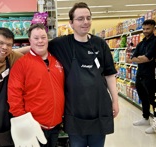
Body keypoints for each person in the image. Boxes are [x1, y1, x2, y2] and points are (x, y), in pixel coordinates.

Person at [16, 2, 119, 147]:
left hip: (99, 107)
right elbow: (39, 44)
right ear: (71, 23)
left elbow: (109, 74)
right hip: (75, 110)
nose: (85, 22)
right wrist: (9, 52)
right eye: (80, 19)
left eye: (88, 18)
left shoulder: (100, 44)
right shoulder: (61, 43)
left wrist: (115, 100)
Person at [8, 23, 65, 147]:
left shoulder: (57, 61)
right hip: (34, 126)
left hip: (55, 126)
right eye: (36, 38)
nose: (40, 41)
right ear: (30, 40)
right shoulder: (21, 64)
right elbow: (14, 95)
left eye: (43, 37)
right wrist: (24, 122)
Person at [127, 19, 156, 134]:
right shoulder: (141, 43)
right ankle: (146, 118)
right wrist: (140, 59)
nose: (145, 31)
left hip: (151, 76)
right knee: (143, 97)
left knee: (153, 100)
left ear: (154, 29)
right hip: (140, 74)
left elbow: (147, 58)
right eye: (144, 29)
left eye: (148, 29)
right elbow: (132, 58)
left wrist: (140, 59)